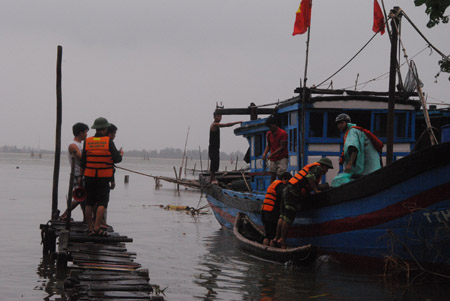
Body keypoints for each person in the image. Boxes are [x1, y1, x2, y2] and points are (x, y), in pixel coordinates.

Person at [273, 158, 333, 249]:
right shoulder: (318, 168)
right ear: (323, 166)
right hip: (293, 193)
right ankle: (282, 239)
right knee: (288, 218)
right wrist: (316, 191)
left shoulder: (313, 167)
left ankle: (276, 238)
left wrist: (324, 187)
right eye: (327, 169)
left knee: (282, 216)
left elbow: (309, 183)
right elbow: (310, 179)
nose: (326, 171)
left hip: (287, 190)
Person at [80, 117, 123, 236]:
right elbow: (116, 159)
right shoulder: (108, 141)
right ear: (104, 129)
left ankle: (89, 228)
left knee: (89, 202)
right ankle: (97, 227)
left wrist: (80, 177)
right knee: (102, 202)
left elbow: (83, 161)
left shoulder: (87, 141)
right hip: (103, 177)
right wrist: (120, 154)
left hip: (89, 176)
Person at [331, 114, 383, 187]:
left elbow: (354, 148)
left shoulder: (352, 131)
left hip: (368, 168)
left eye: (342, 123)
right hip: (374, 166)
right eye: (338, 124)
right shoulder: (355, 131)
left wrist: (349, 164)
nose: (340, 125)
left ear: (347, 123)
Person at [59, 122, 89, 221]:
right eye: (85, 132)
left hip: (84, 173)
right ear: (80, 133)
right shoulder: (73, 145)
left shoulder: (82, 144)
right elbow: (81, 158)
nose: (86, 134)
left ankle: (86, 218)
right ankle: (64, 215)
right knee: (80, 196)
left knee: (84, 198)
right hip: (77, 174)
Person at [209, 112, 242, 184]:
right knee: (213, 163)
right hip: (213, 147)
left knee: (216, 163)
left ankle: (213, 179)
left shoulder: (216, 125)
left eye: (220, 116)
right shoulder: (214, 125)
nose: (219, 118)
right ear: (214, 117)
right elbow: (226, 125)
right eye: (218, 116)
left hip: (216, 147)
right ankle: (212, 179)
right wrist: (237, 122)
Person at [261, 172, 292, 246]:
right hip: (271, 213)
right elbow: (286, 194)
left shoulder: (273, 183)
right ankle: (272, 252)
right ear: (284, 179)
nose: (288, 184)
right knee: (274, 237)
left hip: (264, 211)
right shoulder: (280, 185)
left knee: (267, 236)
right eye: (288, 181)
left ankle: (265, 250)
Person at [262, 116, 289, 183]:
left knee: (281, 174)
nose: (270, 128)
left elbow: (282, 147)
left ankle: (280, 188)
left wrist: (272, 154)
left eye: (270, 126)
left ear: (275, 124)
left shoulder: (283, 133)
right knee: (272, 174)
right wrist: (265, 153)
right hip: (273, 158)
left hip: (282, 157)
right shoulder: (268, 134)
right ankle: (271, 189)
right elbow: (269, 145)